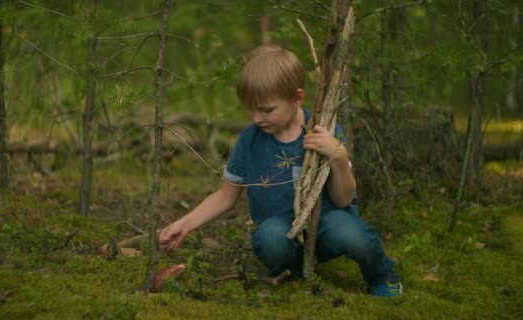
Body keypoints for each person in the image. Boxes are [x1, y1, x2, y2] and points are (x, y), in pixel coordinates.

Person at [159, 44, 403, 298]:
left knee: (354, 235)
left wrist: (338, 157)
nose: (256, 118)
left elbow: (343, 199)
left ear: (297, 97)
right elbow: (225, 196)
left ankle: (384, 278)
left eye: (266, 110)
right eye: (251, 109)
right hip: (282, 227)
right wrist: (185, 223)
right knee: (269, 240)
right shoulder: (249, 141)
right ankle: (294, 272)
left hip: (329, 223)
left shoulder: (323, 131)